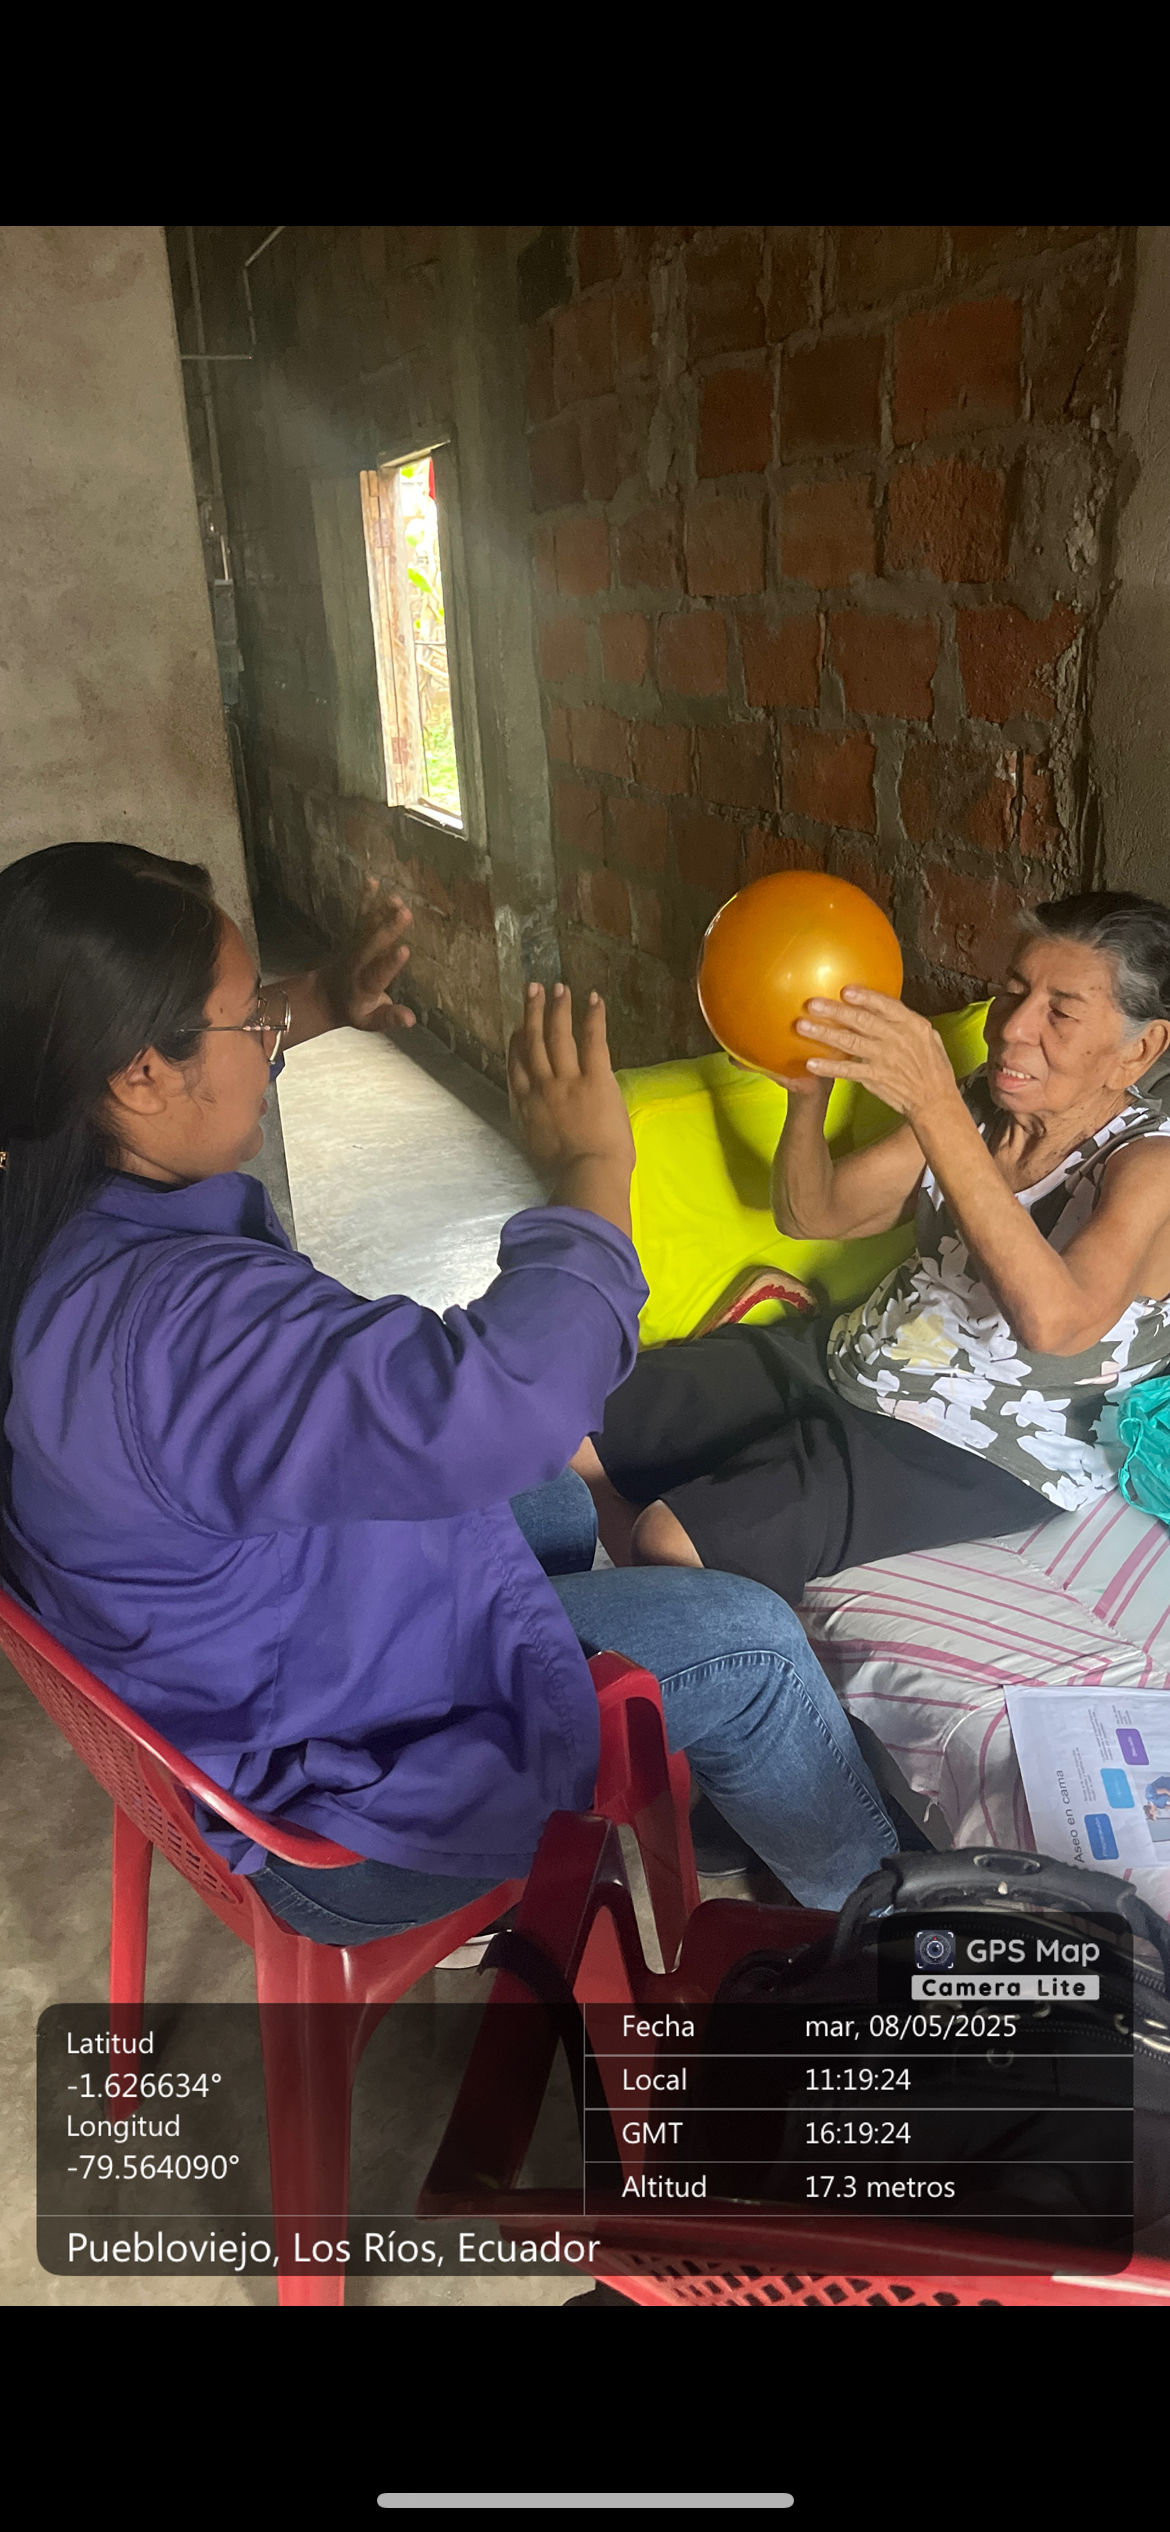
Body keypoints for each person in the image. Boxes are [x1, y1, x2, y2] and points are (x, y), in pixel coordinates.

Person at [0, 841, 902, 1929]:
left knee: (556, 1500)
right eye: (251, 1020)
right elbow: (512, 1400)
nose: (270, 1038)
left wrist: (322, 998)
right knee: (749, 1644)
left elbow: (480, 1438)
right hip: (331, 1807)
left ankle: (675, 1763)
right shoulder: (187, 1328)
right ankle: (896, 1929)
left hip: (239, 1661)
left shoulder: (49, 1212)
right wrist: (590, 1173)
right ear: (140, 1072)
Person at [576, 892, 1170, 1600]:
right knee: (569, 1417)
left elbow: (1057, 1325)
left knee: (670, 1539)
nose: (1014, 1028)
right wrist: (807, 1093)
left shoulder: (1149, 1167)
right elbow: (812, 1212)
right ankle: (618, 1599)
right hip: (851, 1356)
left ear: (1139, 1050)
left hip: (981, 1441)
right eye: (1013, 992)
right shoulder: (984, 1107)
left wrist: (935, 1105)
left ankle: (660, 1616)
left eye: (1061, 1013)